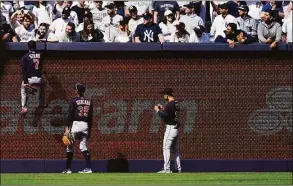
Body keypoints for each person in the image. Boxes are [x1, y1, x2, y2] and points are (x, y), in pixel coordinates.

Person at [63, 83, 93, 174]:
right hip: (85, 125)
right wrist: (89, 131)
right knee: (83, 147)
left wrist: (67, 129)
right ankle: (88, 168)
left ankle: (68, 169)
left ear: (77, 91)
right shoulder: (89, 101)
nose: (74, 91)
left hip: (76, 125)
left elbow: (70, 116)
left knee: (69, 146)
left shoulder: (73, 101)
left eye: (75, 89)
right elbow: (90, 118)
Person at [154, 88, 181, 173]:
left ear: (167, 95)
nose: (163, 96)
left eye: (164, 94)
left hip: (170, 128)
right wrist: (163, 109)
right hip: (176, 128)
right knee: (175, 150)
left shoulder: (169, 105)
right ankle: (178, 169)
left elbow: (165, 117)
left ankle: (167, 169)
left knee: (166, 148)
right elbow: (170, 114)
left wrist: (158, 110)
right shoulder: (176, 103)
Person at [20, 40, 47, 114]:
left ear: (28, 47)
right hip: (39, 79)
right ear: (35, 46)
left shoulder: (25, 57)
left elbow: (24, 70)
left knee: (23, 90)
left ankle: (24, 107)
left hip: (30, 79)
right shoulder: (41, 55)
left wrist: (25, 82)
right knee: (42, 88)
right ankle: (41, 104)